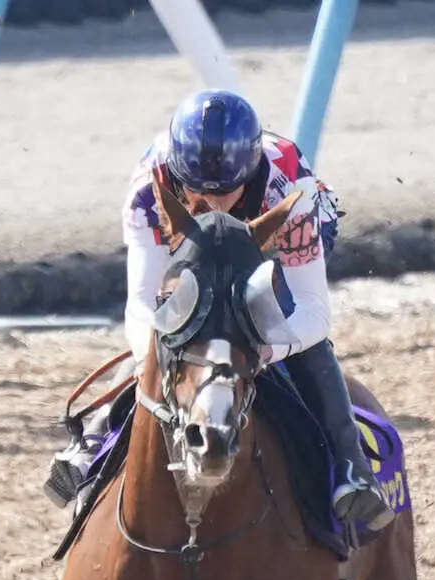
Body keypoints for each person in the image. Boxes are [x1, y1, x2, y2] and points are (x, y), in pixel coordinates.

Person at [45, 88, 394, 534]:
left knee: (267, 312)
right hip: (187, 248)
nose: (212, 205)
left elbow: (313, 312)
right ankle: (93, 441)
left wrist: (260, 352)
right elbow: (143, 303)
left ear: (248, 176)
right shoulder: (149, 189)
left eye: (228, 192)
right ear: (175, 175)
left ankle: (351, 468)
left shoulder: (288, 190)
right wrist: (164, 347)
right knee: (174, 321)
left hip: (276, 244)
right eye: (196, 191)